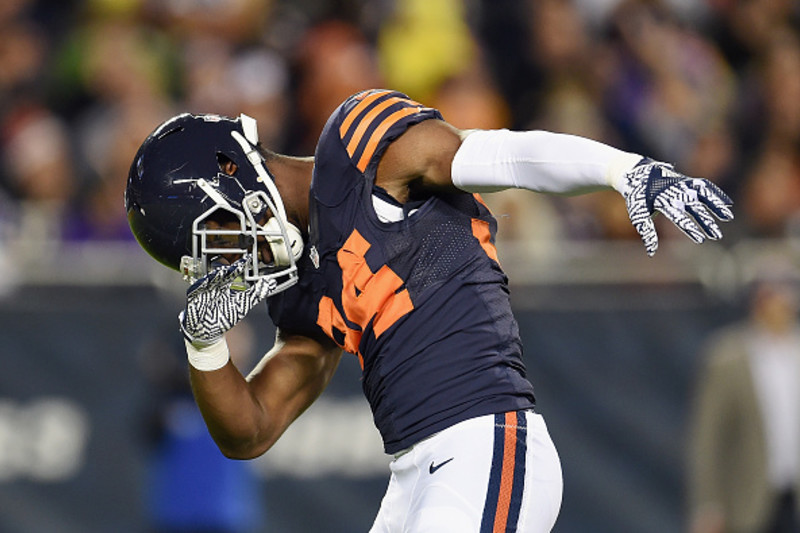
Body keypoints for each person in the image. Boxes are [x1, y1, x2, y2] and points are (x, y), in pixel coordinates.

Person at [125, 89, 733, 532]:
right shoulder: (301, 290)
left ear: (233, 170)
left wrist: (623, 171)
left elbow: (501, 157)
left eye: (223, 235)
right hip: (416, 473)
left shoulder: (358, 152)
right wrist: (203, 343)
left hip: (485, 444)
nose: (235, 259)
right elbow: (251, 429)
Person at [688, 266, 800, 533]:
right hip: (748, 499)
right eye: (770, 293)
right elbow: (709, 437)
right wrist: (709, 505)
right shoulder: (727, 357)